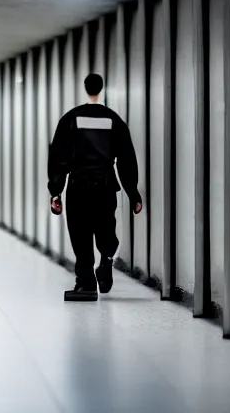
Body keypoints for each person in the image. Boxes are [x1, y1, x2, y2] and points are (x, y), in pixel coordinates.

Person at [48, 73, 143, 301]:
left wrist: (56, 191)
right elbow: (126, 157)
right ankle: (107, 258)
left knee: (80, 234)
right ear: (101, 89)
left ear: (85, 88)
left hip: (78, 184)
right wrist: (133, 192)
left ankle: (86, 283)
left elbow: (58, 156)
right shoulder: (114, 119)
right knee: (105, 228)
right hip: (106, 185)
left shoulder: (71, 118)